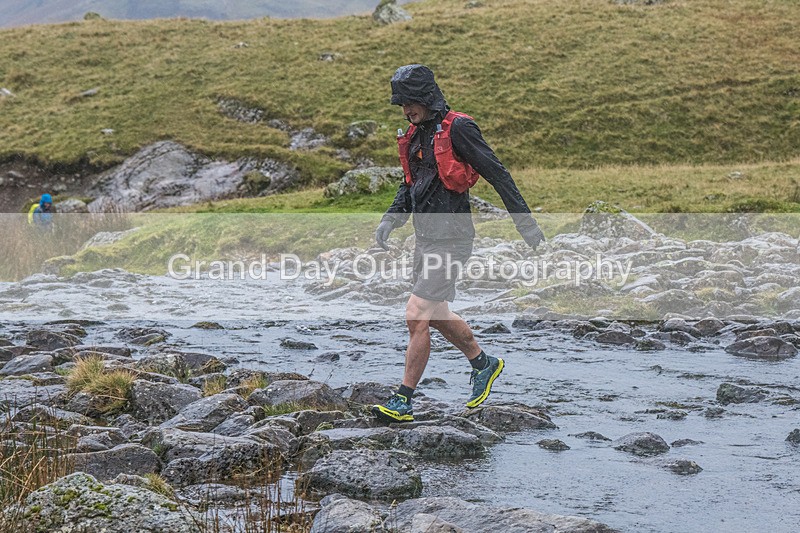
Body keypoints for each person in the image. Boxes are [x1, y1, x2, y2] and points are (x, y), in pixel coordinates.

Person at [371, 64, 546, 423]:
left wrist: (526, 226)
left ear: (426, 98)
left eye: (410, 102)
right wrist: (391, 219)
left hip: (452, 239)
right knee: (435, 314)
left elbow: (498, 174)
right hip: (425, 239)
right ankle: (484, 363)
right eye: (401, 104)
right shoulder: (416, 134)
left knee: (416, 313)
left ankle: (403, 400)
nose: (405, 110)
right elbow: (409, 184)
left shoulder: (459, 128)